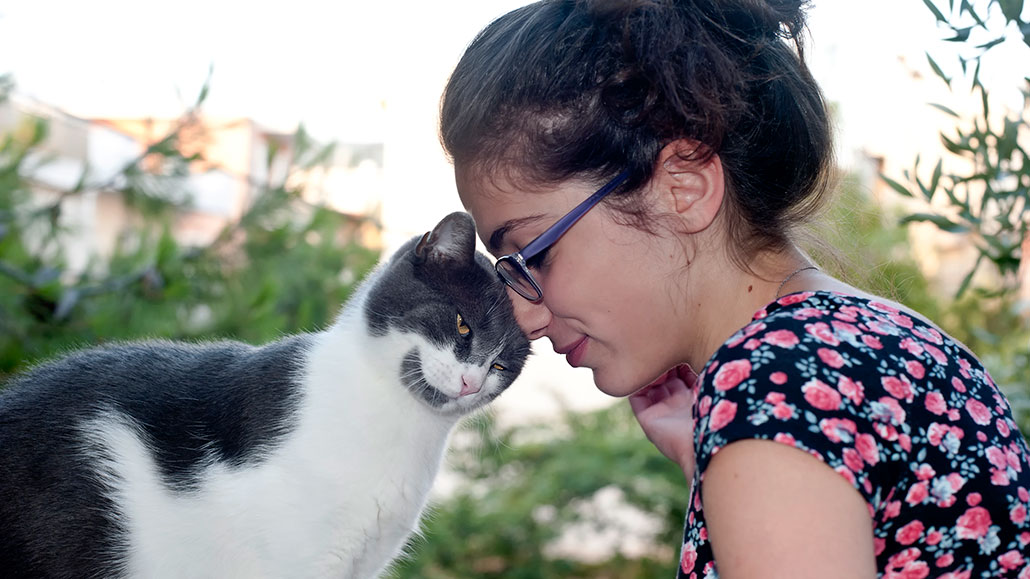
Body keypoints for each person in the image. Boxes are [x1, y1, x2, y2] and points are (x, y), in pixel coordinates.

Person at [441, 0, 1030, 577]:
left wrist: (751, 434)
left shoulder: (774, 387)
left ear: (684, 186)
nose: (523, 316)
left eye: (533, 255)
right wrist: (715, 464)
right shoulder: (890, 339)